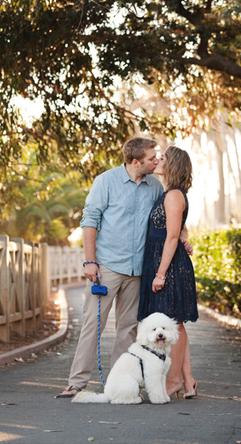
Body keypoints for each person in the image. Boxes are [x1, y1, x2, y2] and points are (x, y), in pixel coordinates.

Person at [58, 137, 164, 398]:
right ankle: (77, 383)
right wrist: (90, 261)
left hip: (138, 270)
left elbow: (165, 219)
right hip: (106, 267)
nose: (157, 161)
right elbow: (89, 220)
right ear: (135, 161)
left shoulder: (155, 186)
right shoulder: (106, 181)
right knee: (93, 325)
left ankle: (118, 386)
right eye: (152, 158)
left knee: (128, 329)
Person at [137, 145, 198, 399]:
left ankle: (173, 381)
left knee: (175, 324)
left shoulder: (173, 195)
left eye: (162, 159)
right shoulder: (170, 193)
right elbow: (179, 230)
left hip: (169, 266)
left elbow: (171, 236)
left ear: (173, 165)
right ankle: (189, 381)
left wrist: (160, 274)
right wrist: (185, 238)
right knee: (176, 324)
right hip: (163, 260)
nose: (157, 161)